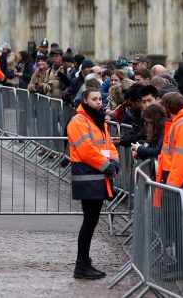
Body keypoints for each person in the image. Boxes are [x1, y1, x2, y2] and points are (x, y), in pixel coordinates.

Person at [66, 86, 119, 280]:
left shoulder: (98, 121)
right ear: (85, 101)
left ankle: (84, 262)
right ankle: (81, 264)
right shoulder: (78, 121)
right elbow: (85, 150)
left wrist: (114, 162)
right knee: (89, 221)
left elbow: (109, 144)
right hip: (89, 176)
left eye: (100, 99)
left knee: (92, 220)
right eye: (95, 99)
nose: (99, 102)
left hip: (99, 175)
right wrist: (108, 166)